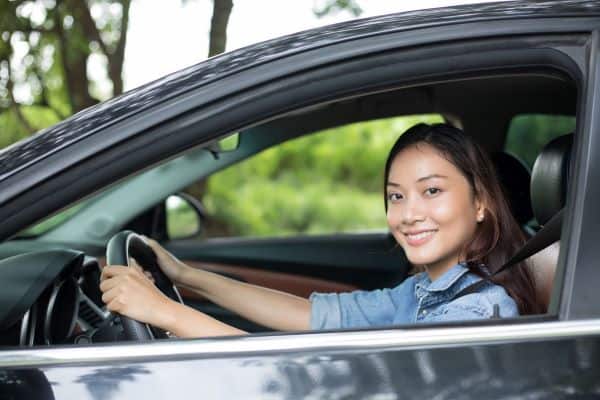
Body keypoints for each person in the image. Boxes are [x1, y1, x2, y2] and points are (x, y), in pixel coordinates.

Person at [99, 123, 542, 338]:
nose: (408, 214)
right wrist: (186, 277)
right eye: (396, 196)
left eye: (431, 191)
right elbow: (311, 316)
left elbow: (307, 377)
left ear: (481, 201)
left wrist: (165, 312)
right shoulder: (426, 291)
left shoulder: (477, 314)